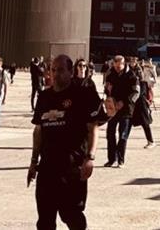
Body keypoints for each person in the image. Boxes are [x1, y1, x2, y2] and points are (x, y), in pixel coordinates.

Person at [28, 54, 102, 230]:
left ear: (71, 71)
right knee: (45, 220)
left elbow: (93, 127)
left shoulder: (82, 94)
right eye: (53, 70)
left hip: (72, 168)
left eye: (61, 70)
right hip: (47, 167)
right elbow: (38, 130)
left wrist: (90, 158)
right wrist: (33, 161)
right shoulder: (44, 97)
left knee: (71, 214)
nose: (56, 74)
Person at [103, 55, 139, 168]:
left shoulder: (131, 75)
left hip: (126, 110)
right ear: (113, 64)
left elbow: (136, 92)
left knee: (122, 135)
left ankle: (121, 159)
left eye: (120, 66)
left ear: (124, 64)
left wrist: (124, 102)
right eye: (116, 66)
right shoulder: (110, 74)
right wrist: (107, 91)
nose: (118, 68)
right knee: (110, 134)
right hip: (113, 109)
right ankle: (111, 159)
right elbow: (106, 88)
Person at [133, 70, 156, 148]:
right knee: (127, 124)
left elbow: (140, 95)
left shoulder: (143, 84)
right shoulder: (140, 83)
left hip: (142, 107)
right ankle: (122, 141)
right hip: (136, 106)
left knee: (145, 124)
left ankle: (151, 141)